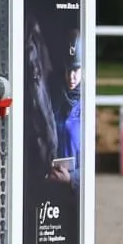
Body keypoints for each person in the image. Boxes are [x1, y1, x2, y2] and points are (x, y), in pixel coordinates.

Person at [47, 34, 83, 191]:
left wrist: (72, 179)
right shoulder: (53, 101)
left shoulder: (87, 106)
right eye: (68, 70)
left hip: (74, 186)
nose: (71, 77)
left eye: (76, 70)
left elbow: (93, 165)